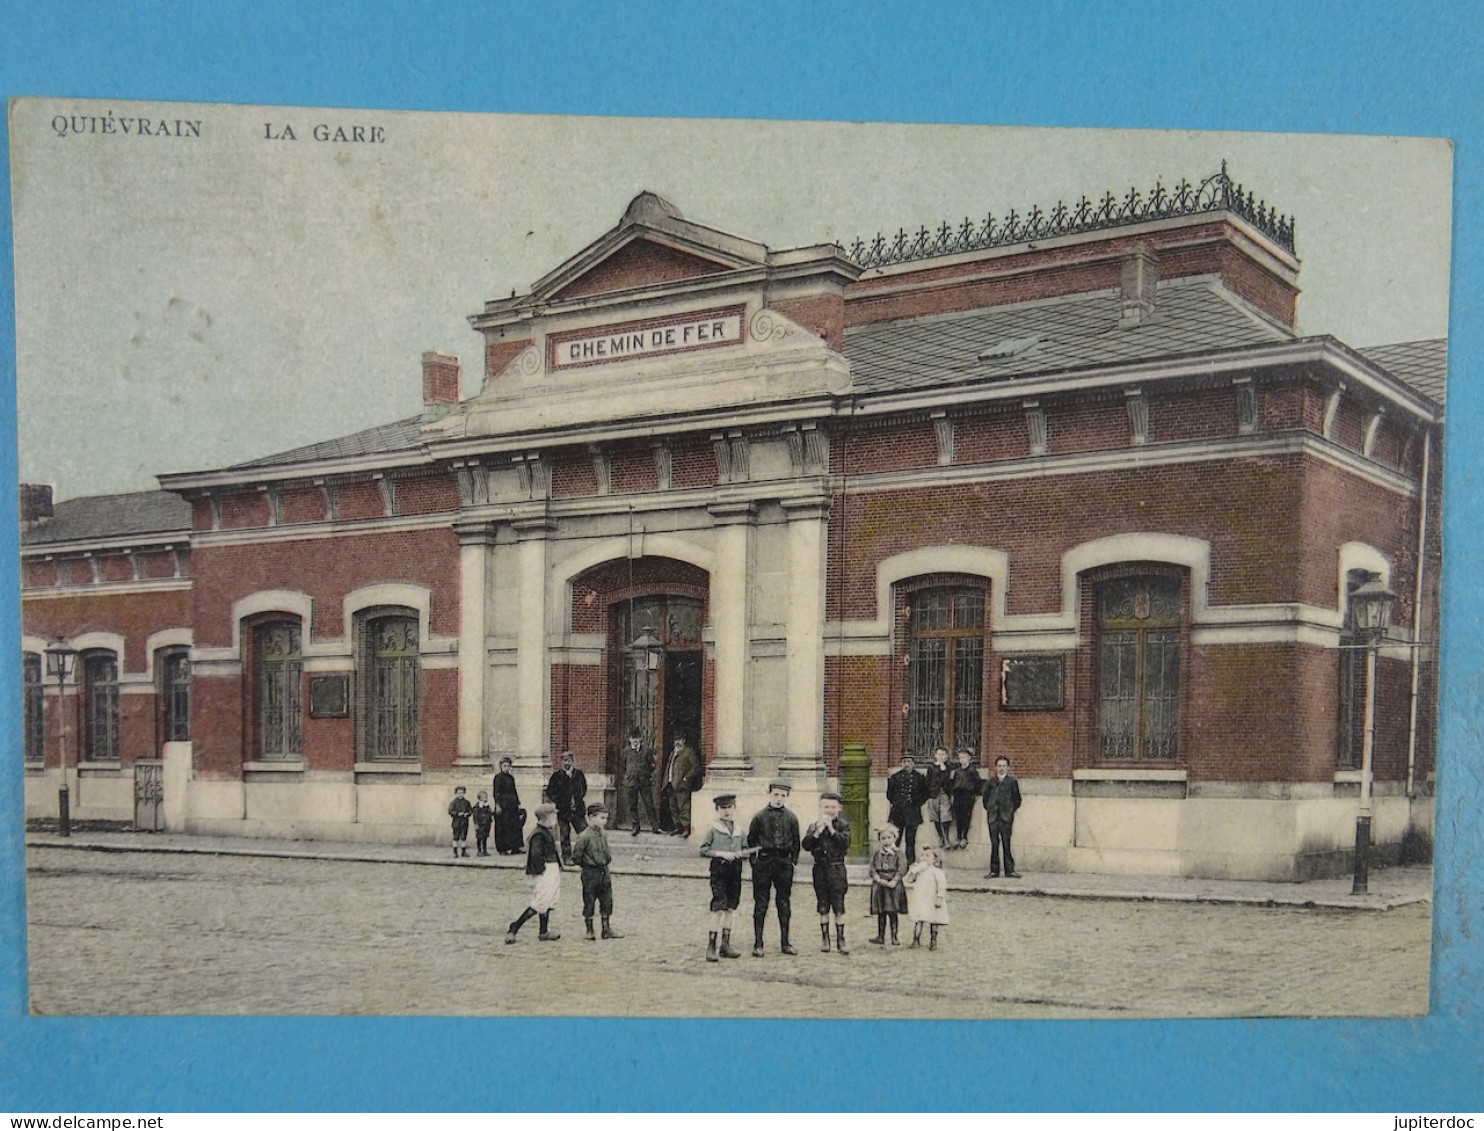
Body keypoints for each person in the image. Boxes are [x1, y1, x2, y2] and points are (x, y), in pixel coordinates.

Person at [746, 778, 801, 957]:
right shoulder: (759, 816)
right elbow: (751, 841)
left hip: (784, 864)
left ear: (787, 796)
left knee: (784, 903)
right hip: (764, 863)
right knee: (761, 903)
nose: (779, 798)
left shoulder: (791, 818)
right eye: (775, 794)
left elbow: (796, 842)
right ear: (769, 794)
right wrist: (755, 862)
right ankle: (758, 943)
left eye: (783, 795)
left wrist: (793, 861)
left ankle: (785, 942)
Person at [698, 792, 749, 962]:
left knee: (730, 907)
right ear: (717, 810)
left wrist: (742, 854)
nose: (726, 811)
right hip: (719, 870)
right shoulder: (713, 829)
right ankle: (711, 946)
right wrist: (721, 854)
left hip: (735, 871)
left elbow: (746, 848)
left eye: (729, 807)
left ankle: (725, 945)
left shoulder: (740, 830)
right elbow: (703, 850)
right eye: (723, 808)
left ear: (734, 808)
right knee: (719, 907)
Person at [801, 790, 852, 955]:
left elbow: (845, 843)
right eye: (826, 807)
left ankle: (841, 939)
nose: (830, 810)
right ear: (820, 808)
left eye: (833, 807)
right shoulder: (814, 825)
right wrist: (817, 832)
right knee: (823, 905)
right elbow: (807, 845)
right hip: (820, 870)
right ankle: (825, 938)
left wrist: (831, 829)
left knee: (838, 905)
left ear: (839, 808)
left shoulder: (843, 826)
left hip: (837, 868)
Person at [505, 803, 563, 943]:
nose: (555, 819)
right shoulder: (538, 834)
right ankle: (514, 927)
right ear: (546, 818)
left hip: (552, 868)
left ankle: (543, 932)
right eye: (553, 816)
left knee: (548, 900)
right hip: (545, 870)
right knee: (540, 901)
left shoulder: (546, 831)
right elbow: (536, 855)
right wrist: (541, 871)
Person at [569, 802, 623, 941]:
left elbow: (607, 852)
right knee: (589, 900)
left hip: (604, 871)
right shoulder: (584, 836)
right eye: (602, 818)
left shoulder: (603, 834)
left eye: (606, 818)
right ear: (591, 818)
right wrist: (587, 865)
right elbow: (577, 856)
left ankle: (606, 929)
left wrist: (606, 861)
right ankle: (590, 930)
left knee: (607, 900)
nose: (604, 821)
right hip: (590, 873)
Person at [982, 754, 1024, 878]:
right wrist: (991, 809)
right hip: (993, 817)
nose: (1001, 768)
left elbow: (1017, 800)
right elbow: (985, 799)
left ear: (1008, 768)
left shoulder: (1012, 782)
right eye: (999, 766)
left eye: (1004, 766)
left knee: (1006, 843)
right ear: (995, 767)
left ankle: (1009, 870)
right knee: (994, 844)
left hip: (1006, 818)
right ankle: (994, 871)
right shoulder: (990, 782)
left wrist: (1009, 811)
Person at [904, 842, 949, 950]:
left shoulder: (937, 872)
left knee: (934, 920)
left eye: (928, 856)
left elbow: (942, 886)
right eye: (922, 855)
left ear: (935, 859)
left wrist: (939, 897)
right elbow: (908, 880)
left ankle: (933, 940)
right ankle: (916, 939)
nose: (924, 858)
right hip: (921, 898)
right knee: (919, 919)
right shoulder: (920, 870)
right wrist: (913, 871)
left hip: (932, 899)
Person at [867, 824, 908, 945]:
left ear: (895, 838)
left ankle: (894, 936)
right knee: (881, 911)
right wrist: (877, 879)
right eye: (883, 838)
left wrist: (895, 881)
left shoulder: (898, 853)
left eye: (889, 838)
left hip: (893, 885)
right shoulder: (876, 853)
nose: (886, 841)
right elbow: (872, 867)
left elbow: (902, 867)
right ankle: (880, 936)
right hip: (880, 884)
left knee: (892, 911)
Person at [545, 751, 588, 864]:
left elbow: (584, 788)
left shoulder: (578, 774)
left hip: (577, 810)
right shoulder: (556, 776)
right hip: (563, 810)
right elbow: (549, 791)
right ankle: (566, 856)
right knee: (564, 834)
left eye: (569, 760)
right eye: (565, 760)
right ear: (561, 762)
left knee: (584, 832)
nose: (567, 763)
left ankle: (580, 856)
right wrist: (559, 800)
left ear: (573, 761)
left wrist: (577, 799)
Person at [886, 753, 929, 863]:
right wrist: (897, 803)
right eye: (904, 762)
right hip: (898, 813)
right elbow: (889, 794)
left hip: (912, 813)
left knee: (911, 840)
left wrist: (916, 803)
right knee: (896, 839)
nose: (907, 764)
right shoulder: (895, 777)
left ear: (913, 763)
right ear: (901, 763)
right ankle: (894, 862)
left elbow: (925, 794)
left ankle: (910, 863)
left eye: (909, 761)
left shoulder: (919, 777)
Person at [622, 730, 659, 835]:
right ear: (629, 740)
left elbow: (652, 765)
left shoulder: (647, 751)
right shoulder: (626, 751)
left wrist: (645, 773)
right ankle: (635, 827)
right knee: (632, 805)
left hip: (644, 781)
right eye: (633, 738)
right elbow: (624, 764)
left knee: (649, 804)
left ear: (640, 739)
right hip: (632, 782)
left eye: (637, 738)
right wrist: (630, 774)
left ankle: (655, 827)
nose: (635, 740)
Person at [665, 734, 700, 838]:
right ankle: (678, 827)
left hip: (682, 785)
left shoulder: (688, 752)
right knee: (673, 807)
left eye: (679, 740)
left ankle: (686, 828)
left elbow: (696, 767)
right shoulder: (673, 753)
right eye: (676, 740)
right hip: (671, 783)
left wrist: (686, 778)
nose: (677, 742)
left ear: (684, 741)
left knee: (683, 806)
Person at [948, 747, 983, 849]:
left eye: (964, 757)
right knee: (958, 817)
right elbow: (953, 782)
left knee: (966, 817)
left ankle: (964, 837)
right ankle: (958, 836)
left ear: (969, 758)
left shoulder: (972, 770)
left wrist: (975, 794)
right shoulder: (957, 771)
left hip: (968, 796)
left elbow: (978, 783)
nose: (962, 759)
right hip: (958, 795)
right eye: (960, 757)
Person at [492, 757, 525, 855]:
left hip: (512, 805)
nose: (506, 768)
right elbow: (496, 792)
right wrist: (497, 805)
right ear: (500, 767)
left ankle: (515, 847)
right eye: (504, 766)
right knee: (503, 827)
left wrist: (518, 803)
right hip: (503, 805)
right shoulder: (498, 777)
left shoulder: (511, 778)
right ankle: (502, 849)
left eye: (508, 766)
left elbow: (514, 791)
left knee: (515, 826)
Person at [925, 746, 954, 850]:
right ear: (935, 756)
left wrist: (943, 770)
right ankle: (941, 837)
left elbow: (948, 781)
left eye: (943, 754)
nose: (941, 757)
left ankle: (946, 838)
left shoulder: (949, 767)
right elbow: (927, 782)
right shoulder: (931, 768)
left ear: (946, 756)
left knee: (945, 816)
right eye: (939, 754)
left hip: (944, 794)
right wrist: (929, 795)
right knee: (935, 817)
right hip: (933, 794)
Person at [447, 786, 472, 858]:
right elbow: (450, 811)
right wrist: (457, 814)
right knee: (456, 837)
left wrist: (467, 813)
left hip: (464, 822)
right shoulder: (453, 802)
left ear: (464, 793)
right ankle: (455, 852)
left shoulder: (467, 802)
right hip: (456, 822)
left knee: (463, 836)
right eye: (459, 793)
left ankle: (463, 851)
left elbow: (470, 810)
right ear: (456, 794)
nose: (460, 794)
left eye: (462, 793)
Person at [471, 790, 494, 857]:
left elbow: (490, 814)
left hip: (486, 824)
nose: (485, 798)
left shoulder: (487, 806)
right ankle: (479, 851)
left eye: (486, 796)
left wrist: (490, 811)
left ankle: (484, 850)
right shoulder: (477, 806)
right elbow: (475, 815)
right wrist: (476, 824)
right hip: (480, 824)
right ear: (480, 798)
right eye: (484, 797)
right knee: (479, 837)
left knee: (485, 837)